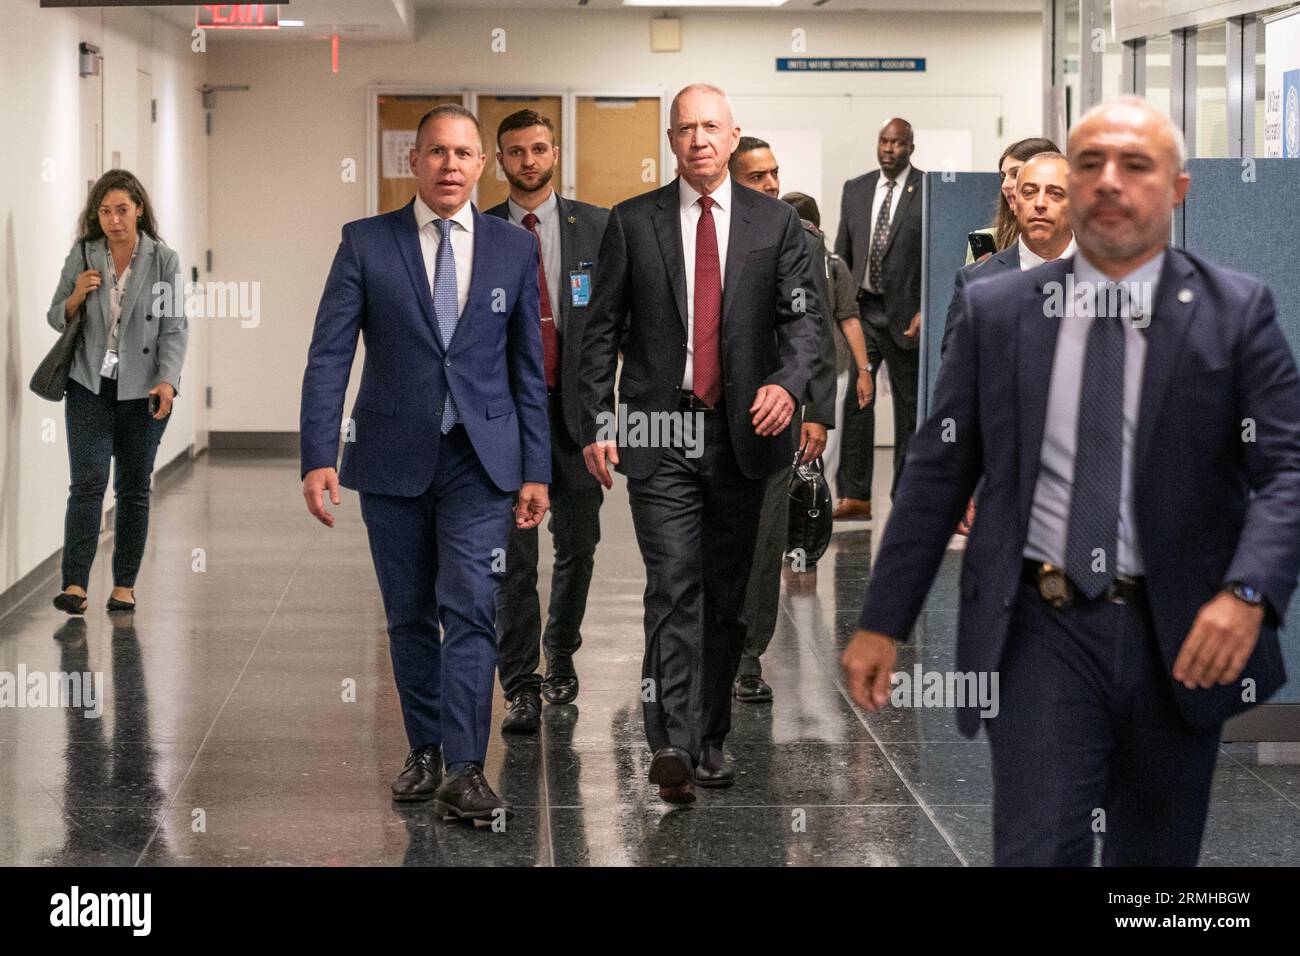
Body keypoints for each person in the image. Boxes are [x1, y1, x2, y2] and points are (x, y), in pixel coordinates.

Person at [842, 97, 1300, 865]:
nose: (1109, 182)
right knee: (1038, 849)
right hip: (1040, 631)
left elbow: (1287, 466)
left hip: (1177, 634)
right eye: (1090, 165)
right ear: (1034, 190)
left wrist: (1248, 592)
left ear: (1178, 189)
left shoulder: (1232, 312)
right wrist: (882, 619)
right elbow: (939, 467)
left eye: (1137, 165)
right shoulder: (999, 311)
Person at [300, 104, 551, 822]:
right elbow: (329, 354)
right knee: (409, 615)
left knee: (471, 608)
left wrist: (536, 469)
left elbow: (528, 369)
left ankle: (467, 769)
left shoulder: (512, 249)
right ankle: (425, 750)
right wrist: (319, 453)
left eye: (464, 154)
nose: (450, 165)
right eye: (436, 152)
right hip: (390, 456)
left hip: (482, 460)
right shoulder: (366, 243)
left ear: (483, 165)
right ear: (413, 162)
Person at [579, 83, 821, 803]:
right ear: (671, 139)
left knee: (728, 596)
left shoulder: (776, 225)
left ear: (733, 133)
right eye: (684, 129)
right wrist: (596, 418)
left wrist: (788, 382)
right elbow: (601, 335)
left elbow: (804, 323)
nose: (698, 140)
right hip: (660, 429)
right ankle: (672, 743)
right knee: (673, 583)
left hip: (746, 430)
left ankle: (711, 736)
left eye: (710, 126)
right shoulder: (632, 222)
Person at [486, 109, 610, 734]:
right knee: (513, 556)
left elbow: (619, 328)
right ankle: (521, 682)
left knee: (579, 545)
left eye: (538, 149)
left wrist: (611, 417)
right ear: (499, 159)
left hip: (579, 416)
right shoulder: (478, 231)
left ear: (555, 152)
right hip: (506, 422)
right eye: (515, 152)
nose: (528, 161)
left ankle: (559, 651)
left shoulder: (596, 226)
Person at [45, 169, 187, 615]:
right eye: (104, 211)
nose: (114, 220)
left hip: (142, 389)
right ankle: (75, 585)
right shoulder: (84, 255)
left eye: (122, 210)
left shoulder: (164, 260)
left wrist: (167, 380)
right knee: (86, 484)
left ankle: (124, 584)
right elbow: (54, 315)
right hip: (89, 383)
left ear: (139, 209)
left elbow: (174, 327)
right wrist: (75, 298)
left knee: (132, 488)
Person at [727, 140, 839, 704]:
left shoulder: (798, 237)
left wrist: (816, 412)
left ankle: (748, 657)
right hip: (702, 416)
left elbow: (813, 326)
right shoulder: (700, 235)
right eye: (757, 176)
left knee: (764, 538)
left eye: (775, 174)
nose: (771, 185)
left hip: (775, 414)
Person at [834, 118, 924, 512]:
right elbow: (843, 251)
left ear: (910, 147)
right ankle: (855, 495)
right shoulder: (855, 189)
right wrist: (840, 307)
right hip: (863, 310)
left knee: (908, 408)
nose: (889, 149)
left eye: (897, 143)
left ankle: (905, 495)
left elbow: (934, 253)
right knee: (857, 398)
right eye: (883, 141)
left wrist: (926, 307)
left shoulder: (927, 189)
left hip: (906, 314)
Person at [966, 137, 1061, 264]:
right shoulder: (992, 239)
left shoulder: (1080, 243)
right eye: (1003, 176)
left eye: (1016, 174)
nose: (1005, 185)